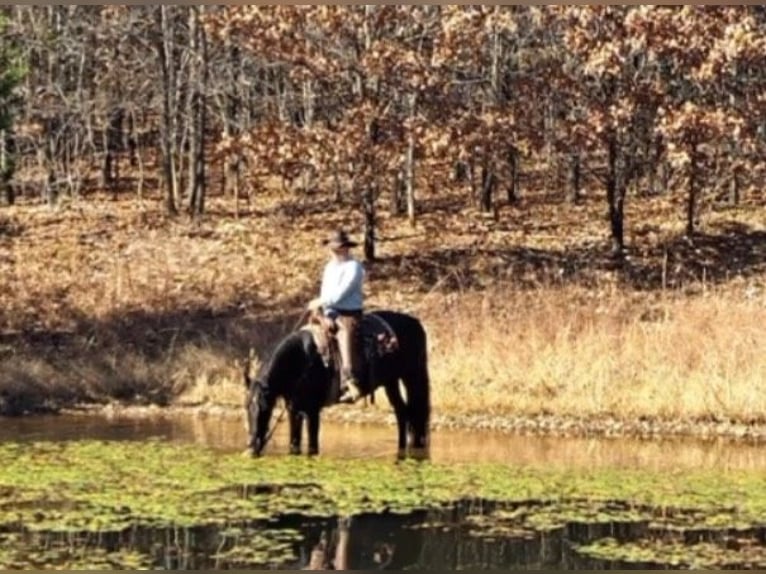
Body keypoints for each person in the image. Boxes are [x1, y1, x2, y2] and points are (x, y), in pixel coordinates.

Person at [308, 229, 366, 404]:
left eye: (338, 249)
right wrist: (323, 312)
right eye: (333, 249)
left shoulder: (355, 267)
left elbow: (341, 293)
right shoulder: (329, 267)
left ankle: (350, 381)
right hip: (329, 311)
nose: (334, 252)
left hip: (349, 313)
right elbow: (326, 291)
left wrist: (321, 301)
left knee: (344, 333)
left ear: (346, 249)